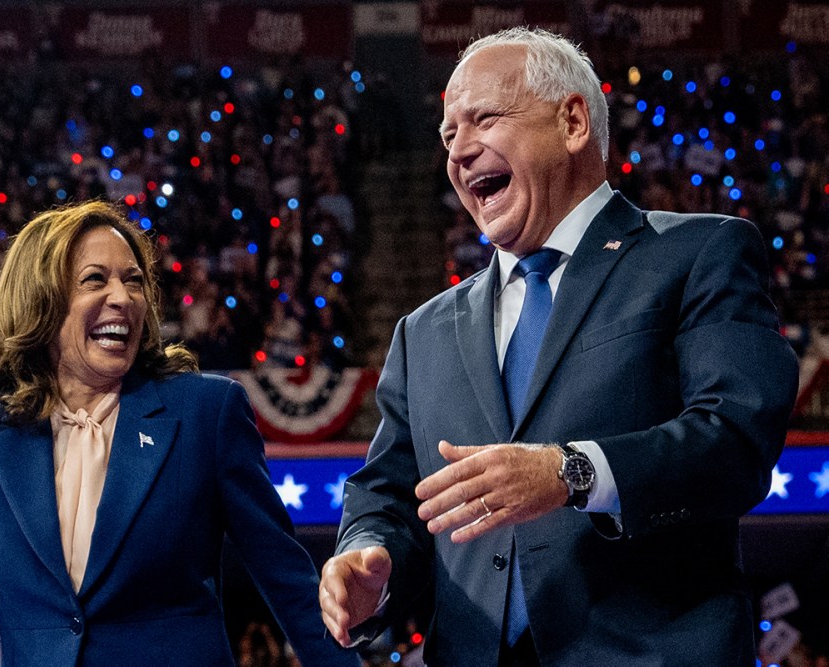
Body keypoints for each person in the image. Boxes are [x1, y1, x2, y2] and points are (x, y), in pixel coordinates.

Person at [320, 27, 798, 666]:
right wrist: (368, 559)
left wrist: (571, 472)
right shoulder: (422, 331)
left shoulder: (699, 254)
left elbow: (735, 441)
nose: (459, 150)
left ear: (572, 121)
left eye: (482, 119)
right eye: (447, 135)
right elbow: (388, 495)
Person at [0, 201, 358, 666]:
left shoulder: (205, 413)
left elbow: (287, 581)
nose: (123, 297)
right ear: (39, 301)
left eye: (133, 281)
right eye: (95, 279)